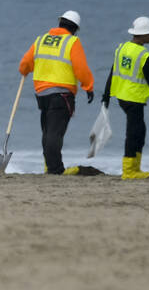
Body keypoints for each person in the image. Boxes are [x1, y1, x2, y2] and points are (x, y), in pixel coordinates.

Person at [19, 10, 95, 175]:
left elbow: (25, 64)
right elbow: (81, 68)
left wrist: (25, 69)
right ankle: (55, 169)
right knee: (54, 133)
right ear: (74, 28)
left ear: (60, 22)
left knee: (47, 132)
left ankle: (49, 166)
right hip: (62, 94)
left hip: (42, 94)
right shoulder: (72, 42)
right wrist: (88, 86)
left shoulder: (41, 40)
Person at [101, 16, 149, 180]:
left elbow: (112, 72)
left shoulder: (121, 48)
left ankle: (135, 167)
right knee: (134, 132)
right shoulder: (143, 55)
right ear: (143, 35)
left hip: (122, 97)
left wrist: (106, 95)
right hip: (134, 98)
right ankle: (129, 171)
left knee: (139, 130)